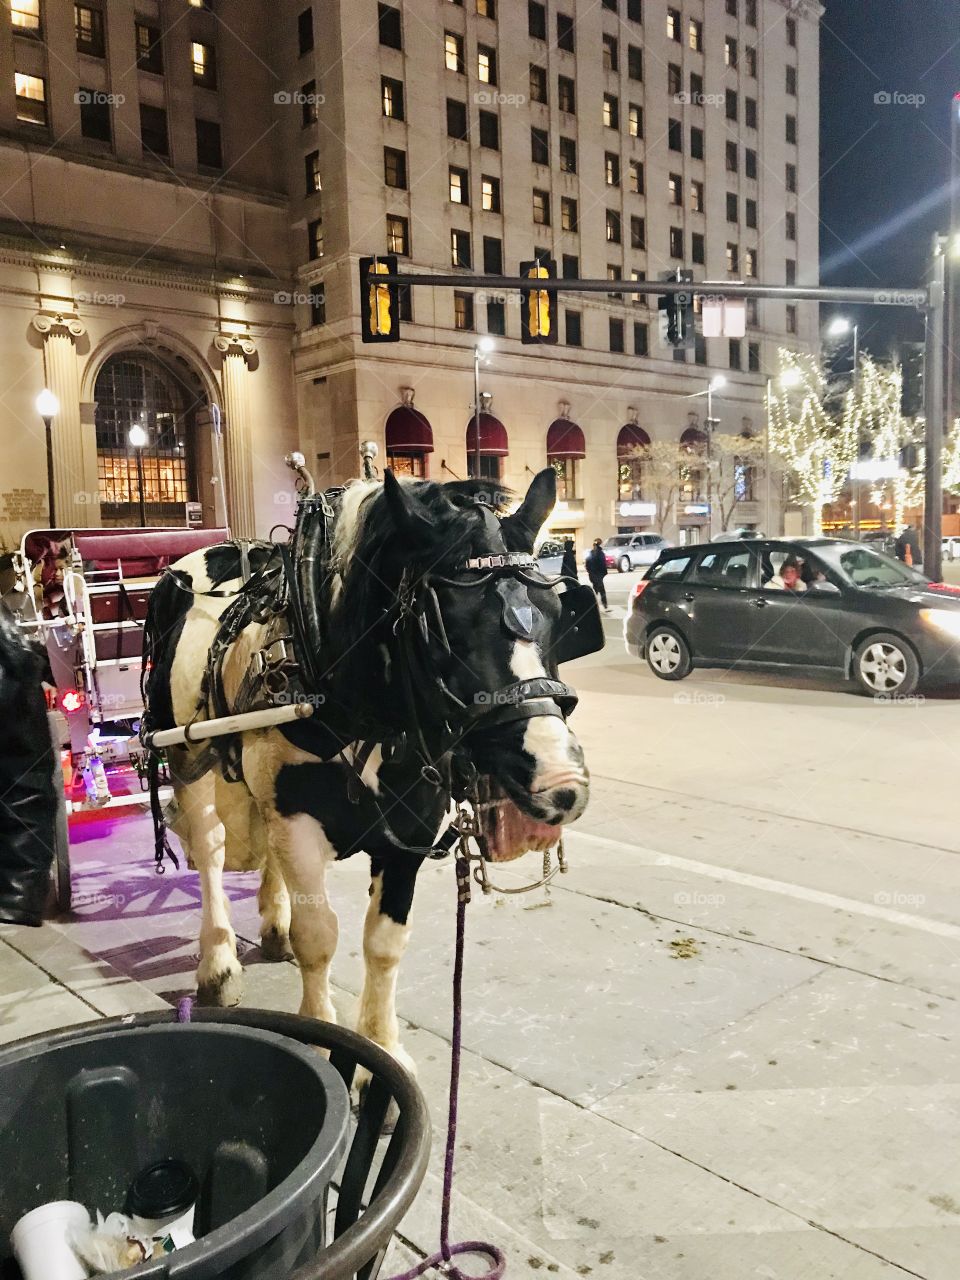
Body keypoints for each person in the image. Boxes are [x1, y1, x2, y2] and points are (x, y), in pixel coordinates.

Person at [585, 538, 611, 612]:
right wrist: (602, 573)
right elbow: (602, 565)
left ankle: (593, 606)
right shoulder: (600, 553)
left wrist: (590, 572)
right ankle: (603, 605)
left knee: (596, 590)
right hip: (597, 574)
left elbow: (588, 564)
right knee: (600, 590)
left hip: (594, 574)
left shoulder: (593, 553)